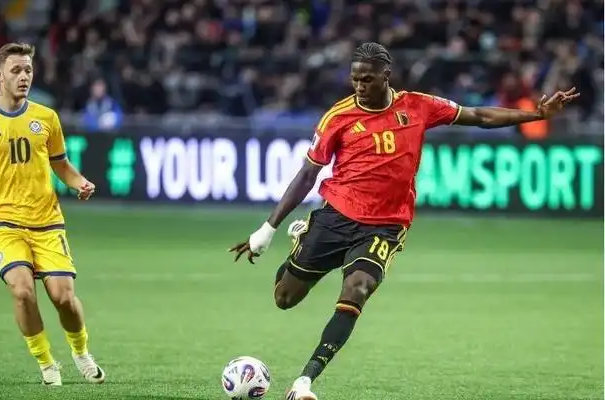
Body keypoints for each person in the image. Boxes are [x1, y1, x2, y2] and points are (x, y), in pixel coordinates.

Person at [229, 42, 579, 400]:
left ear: (386, 75)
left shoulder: (418, 105)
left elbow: (478, 116)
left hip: (385, 226)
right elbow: (307, 174)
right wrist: (267, 228)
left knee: (357, 289)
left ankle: (304, 382)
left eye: (367, 79)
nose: (360, 86)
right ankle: (303, 236)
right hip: (337, 216)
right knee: (285, 298)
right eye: (355, 79)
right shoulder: (338, 117)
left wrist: (537, 115)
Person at [0, 43, 105, 386]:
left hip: (47, 222)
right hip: (3, 222)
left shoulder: (46, 118)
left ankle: (81, 352)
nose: (24, 76)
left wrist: (80, 182)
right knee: (22, 291)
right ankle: (46, 362)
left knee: (64, 298)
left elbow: (61, 164)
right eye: (16, 70)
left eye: (28, 69)